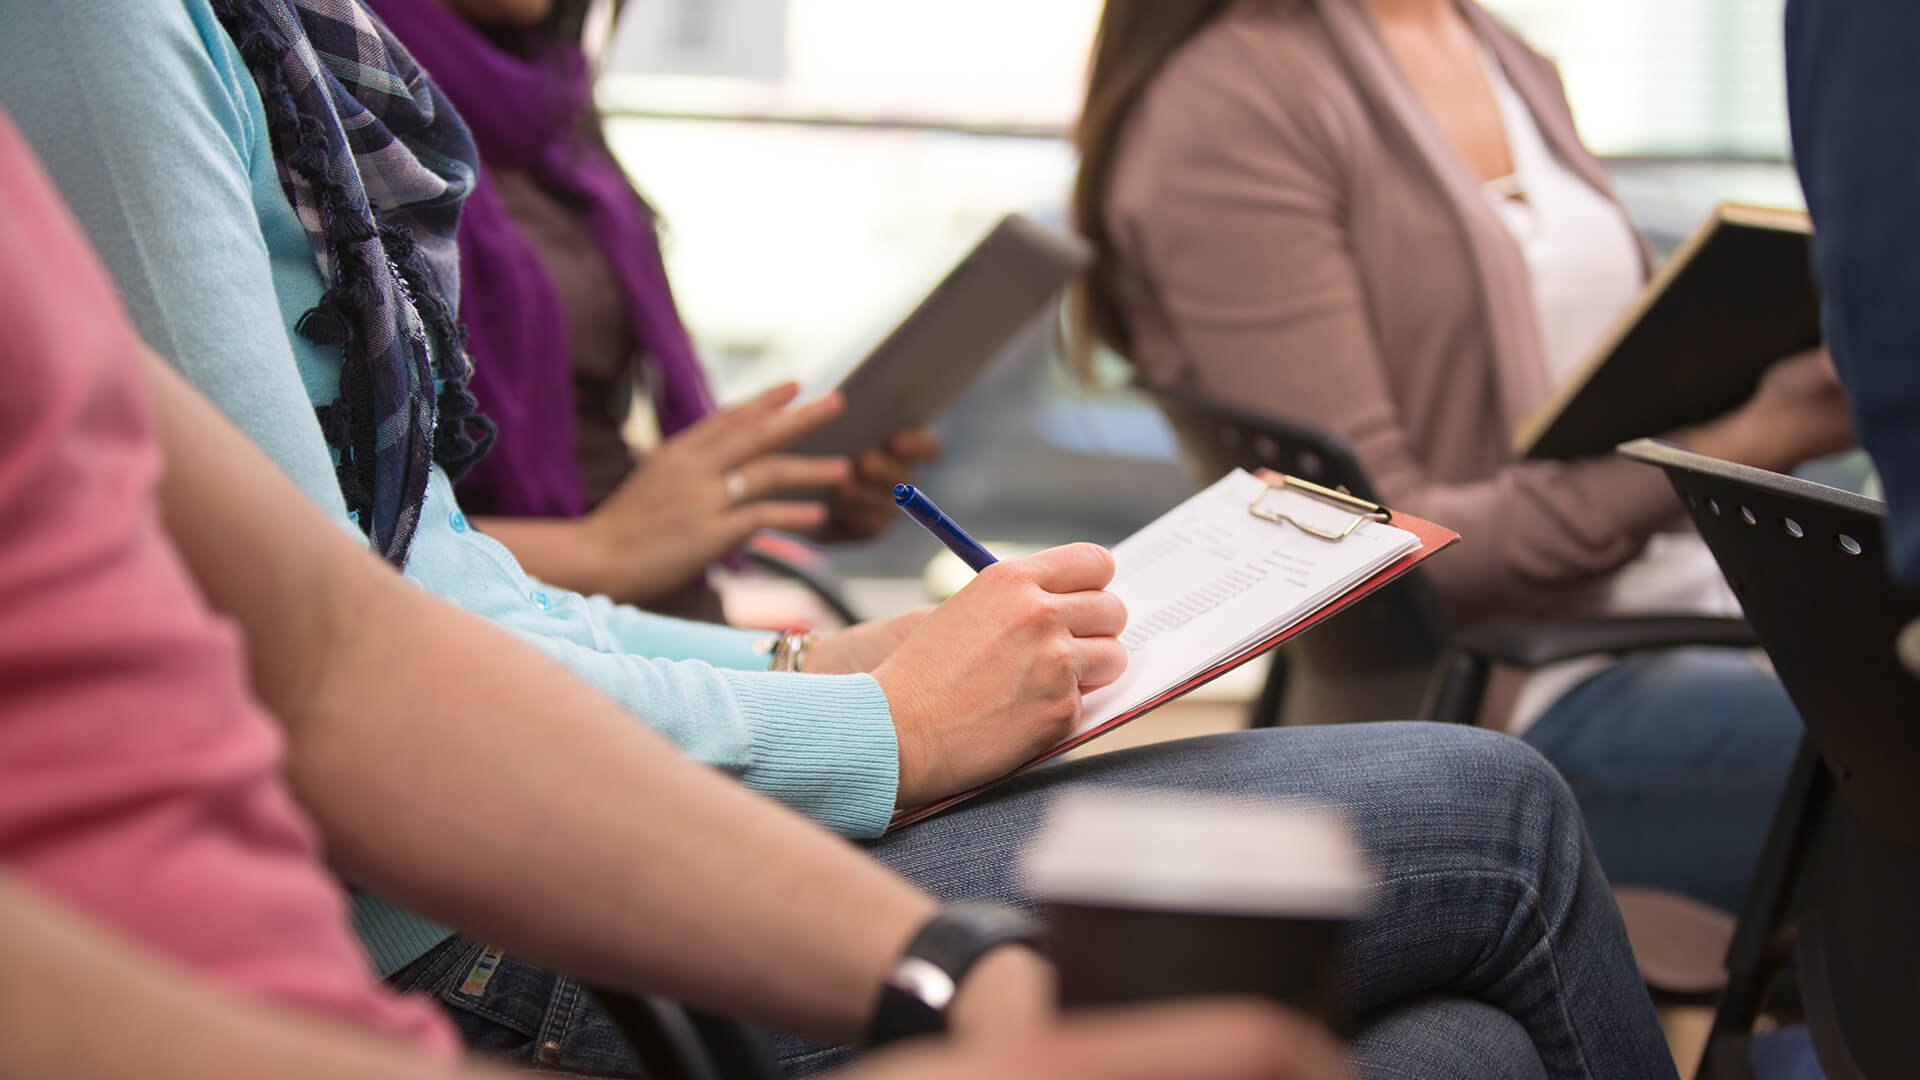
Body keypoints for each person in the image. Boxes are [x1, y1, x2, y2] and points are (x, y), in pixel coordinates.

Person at [0, 3, 1681, 1077]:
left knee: (1457, 1050)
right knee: (1499, 820)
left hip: (498, 811)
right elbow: (333, 681)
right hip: (435, 938)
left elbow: (367, 627)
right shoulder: (97, 39)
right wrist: (874, 723)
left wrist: (840, 690)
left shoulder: (298, 66)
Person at [1066, 0, 1855, 915]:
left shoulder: (1501, 50)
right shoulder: (1234, 98)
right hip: (1511, 700)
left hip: (1706, 628)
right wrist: (1751, 441)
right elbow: (1384, 546)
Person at [364, 0, 941, 620]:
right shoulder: (332, 91)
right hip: (519, 644)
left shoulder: (547, 100)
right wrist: (600, 549)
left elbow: (575, 439)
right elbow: (322, 533)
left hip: (649, 622)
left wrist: (762, 486)